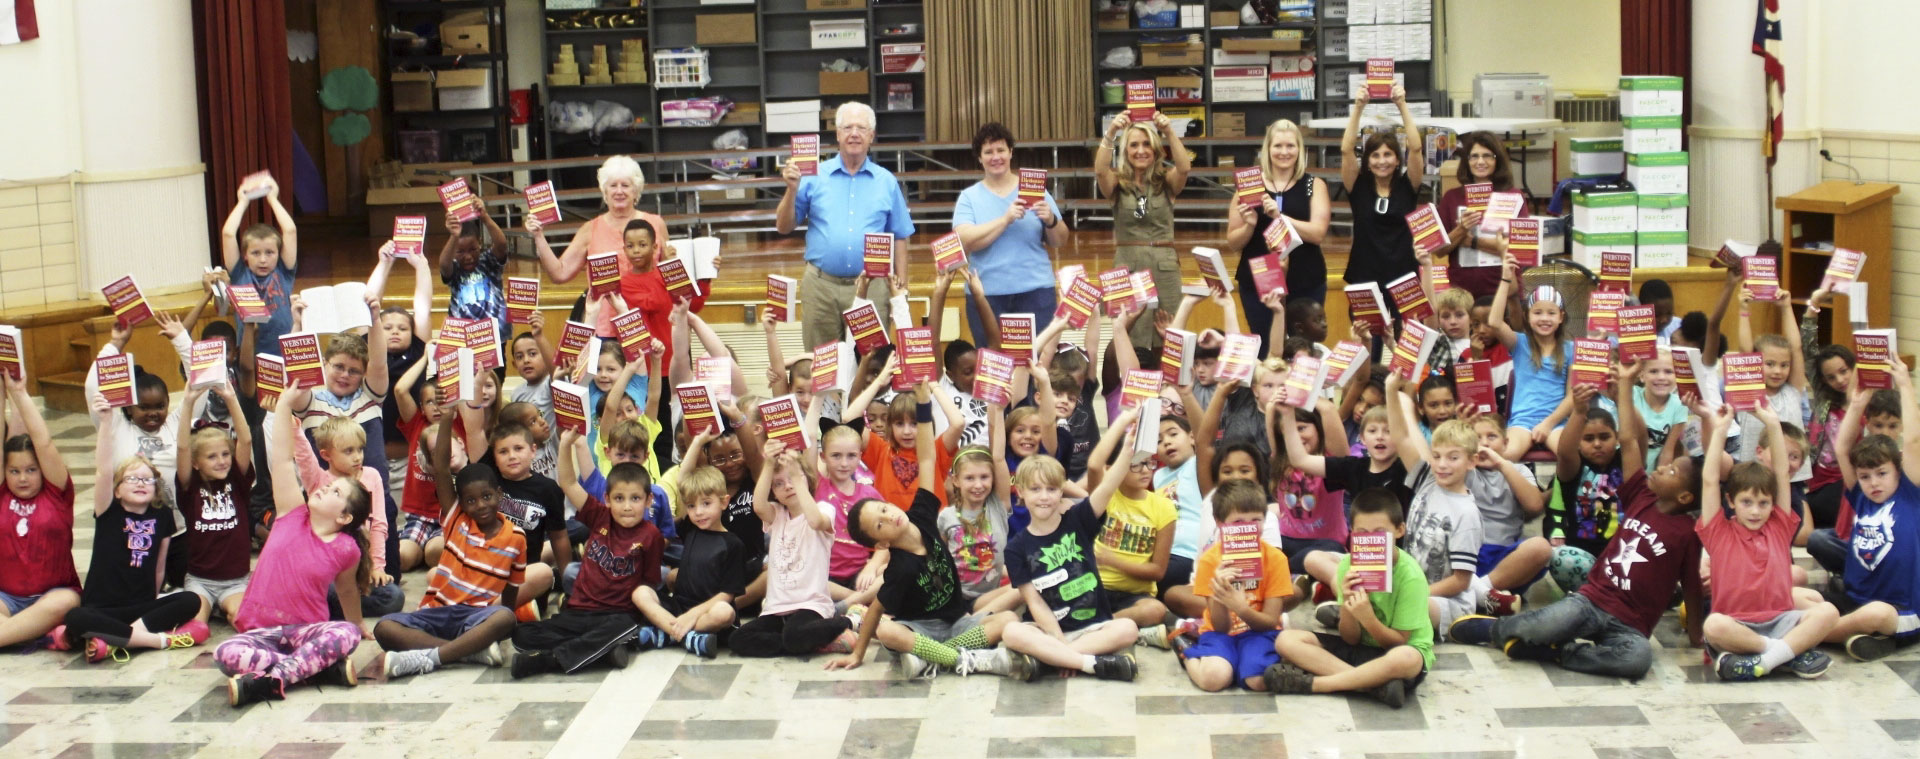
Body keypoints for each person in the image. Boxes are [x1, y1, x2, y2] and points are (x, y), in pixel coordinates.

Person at [1448, 359, 1706, 679]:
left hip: (1631, 625)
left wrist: (1696, 636)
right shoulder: (1640, 494)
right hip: (1591, 602)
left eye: (1670, 472)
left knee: (1637, 661)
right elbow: (1628, 440)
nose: (1660, 468)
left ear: (1684, 497)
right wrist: (1625, 385)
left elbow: (1693, 586)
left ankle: (1561, 651)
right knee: (1541, 623)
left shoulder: (1687, 533)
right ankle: (1495, 631)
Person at [829, 381, 1019, 678]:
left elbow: (927, 457)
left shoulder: (922, 514)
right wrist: (858, 652)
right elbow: (877, 611)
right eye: (880, 525)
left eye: (883, 509)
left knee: (1008, 619)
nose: (889, 517)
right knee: (889, 632)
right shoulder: (899, 569)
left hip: (956, 622)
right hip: (919, 630)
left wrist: (923, 402)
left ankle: (935, 659)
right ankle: (966, 659)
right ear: (880, 544)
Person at [217, 393, 373, 706]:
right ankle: (315, 671)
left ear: (344, 516)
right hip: (260, 633)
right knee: (225, 653)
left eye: (336, 491)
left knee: (346, 635)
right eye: (329, 485)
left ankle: (274, 679)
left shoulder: (346, 548)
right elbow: (283, 461)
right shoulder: (291, 512)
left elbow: (346, 592)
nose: (326, 486)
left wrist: (356, 623)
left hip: (306, 632)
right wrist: (284, 406)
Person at [1697, 404, 1838, 681]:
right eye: (1746, 502)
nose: (1755, 511)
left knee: (1828, 612)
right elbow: (1710, 479)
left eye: (1763, 503)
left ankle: (1760, 661)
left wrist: (1773, 424)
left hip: (1781, 620)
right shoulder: (1719, 532)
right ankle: (1784, 654)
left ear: (1773, 505)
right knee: (1713, 625)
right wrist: (1721, 430)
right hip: (1736, 624)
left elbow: (1783, 475)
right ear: (1730, 502)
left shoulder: (1779, 527)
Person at [378, 421, 528, 680]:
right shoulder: (456, 520)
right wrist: (446, 419)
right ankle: (465, 653)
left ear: (499, 495)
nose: (480, 505)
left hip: (475, 617)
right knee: (384, 627)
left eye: (486, 497)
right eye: (470, 500)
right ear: (461, 504)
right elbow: (441, 469)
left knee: (504, 618)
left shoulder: (516, 537)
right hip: (435, 612)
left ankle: (433, 657)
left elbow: (512, 591)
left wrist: (504, 625)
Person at [59, 395, 201, 663]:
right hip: (102, 608)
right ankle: (153, 640)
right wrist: (105, 422)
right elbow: (103, 470)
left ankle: (113, 639)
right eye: (132, 478)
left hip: (140, 608)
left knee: (190, 600)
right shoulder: (108, 511)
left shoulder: (162, 517)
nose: (140, 483)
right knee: (76, 617)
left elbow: (160, 566)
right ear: (117, 489)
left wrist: (152, 599)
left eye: (147, 479)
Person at [1269, 488, 1433, 709]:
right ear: (1352, 533)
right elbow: (1350, 638)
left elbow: (1398, 642)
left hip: (1395, 654)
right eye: (1363, 533)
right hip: (1362, 650)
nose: (1371, 539)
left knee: (1407, 658)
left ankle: (1320, 684)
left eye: (1379, 532)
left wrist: (1369, 619)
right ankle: (1374, 686)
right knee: (1286, 640)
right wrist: (1347, 603)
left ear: (1399, 530)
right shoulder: (1348, 564)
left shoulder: (1410, 576)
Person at [776, 101, 916, 350]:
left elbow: (900, 236)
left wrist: (901, 291)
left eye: (861, 128)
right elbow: (783, 227)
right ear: (837, 134)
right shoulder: (811, 175)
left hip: (872, 287)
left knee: (871, 362)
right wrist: (791, 190)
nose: (854, 133)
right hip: (821, 287)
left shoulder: (886, 181)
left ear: (871, 136)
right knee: (821, 367)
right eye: (848, 127)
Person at [510, 451, 663, 677]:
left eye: (635, 498)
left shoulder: (651, 535)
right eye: (619, 498)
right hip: (578, 612)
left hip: (617, 615)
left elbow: (648, 584)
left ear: (648, 500)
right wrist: (566, 444)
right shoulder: (600, 516)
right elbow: (569, 483)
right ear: (608, 499)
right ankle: (601, 652)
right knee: (521, 636)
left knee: (624, 627)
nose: (627, 506)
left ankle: (550, 660)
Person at [995, 451, 1142, 682]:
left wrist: (1129, 448)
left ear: (1061, 491)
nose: (1044, 496)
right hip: (1050, 632)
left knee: (1128, 628)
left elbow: (1108, 486)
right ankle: (1089, 663)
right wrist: (1059, 641)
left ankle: (1048, 661)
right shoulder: (1015, 548)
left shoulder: (1078, 519)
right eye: (1035, 489)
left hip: (1094, 628)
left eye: (1052, 489)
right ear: (1020, 492)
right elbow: (1034, 602)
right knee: (1012, 632)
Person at [1825, 361, 1920, 661]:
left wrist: (1905, 384)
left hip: (1900, 609)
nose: (1873, 483)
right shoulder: (1861, 496)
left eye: (1881, 474)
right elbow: (1842, 449)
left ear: (1897, 470)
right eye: (1865, 477)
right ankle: (1861, 638)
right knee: (1807, 596)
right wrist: (1858, 403)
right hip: (1854, 600)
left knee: (1876, 615)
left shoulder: (1909, 493)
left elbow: (1915, 442)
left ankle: (1807, 636)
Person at [730, 441, 856, 658]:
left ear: (806, 481)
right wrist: (768, 464)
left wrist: (798, 479)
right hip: (777, 607)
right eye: (779, 484)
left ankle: (849, 621)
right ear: (774, 492)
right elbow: (758, 506)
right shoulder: (776, 513)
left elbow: (816, 522)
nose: (788, 486)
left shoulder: (823, 508)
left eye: (793, 480)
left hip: (811, 606)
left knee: (795, 635)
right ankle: (811, 641)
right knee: (738, 639)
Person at [952, 121, 1067, 345]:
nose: (996, 157)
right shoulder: (969, 197)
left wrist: (1051, 220)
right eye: (988, 152)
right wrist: (1005, 220)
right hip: (987, 295)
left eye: (1001, 150)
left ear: (1011, 152)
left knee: (1036, 366)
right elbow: (964, 240)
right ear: (979, 157)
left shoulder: (1035, 191)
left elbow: (1060, 241)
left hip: (1036, 292)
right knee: (993, 368)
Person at [1226, 119, 1333, 341]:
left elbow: (1317, 233)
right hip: (1258, 281)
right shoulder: (1249, 186)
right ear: (1268, 149)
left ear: (1300, 149)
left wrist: (1281, 217)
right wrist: (1250, 225)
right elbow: (1233, 242)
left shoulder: (1314, 185)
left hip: (1305, 279)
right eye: (1278, 146)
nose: (1284, 152)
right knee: (1266, 348)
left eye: (1290, 146)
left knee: (1303, 350)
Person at [1179, 479, 1291, 691]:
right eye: (1238, 522)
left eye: (1256, 520)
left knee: (1258, 682)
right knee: (1215, 679)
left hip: (1259, 632)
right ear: (1220, 523)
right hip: (1219, 632)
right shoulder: (1210, 560)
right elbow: (1220, 627)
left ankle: (1244, 661)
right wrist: (1221, 594)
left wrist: (1241, 608)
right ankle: (1187, 653)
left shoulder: (1276, 559)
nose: (1248, 528)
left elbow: (1268, 622)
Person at [1096, 110, 1190, 349]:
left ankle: (1167, 385)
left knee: (1168, 333)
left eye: (1147, 144)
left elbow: (1184, 167)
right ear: (1126, 151)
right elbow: (1099, 170)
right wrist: (1111, 133)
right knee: (1127, 333)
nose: (1140, 150)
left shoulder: (1166, 182)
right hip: (1127, 264)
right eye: (1134, 145)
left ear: (1156, 149)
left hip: (1165, 267)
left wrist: (1169, 130)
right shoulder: (1117, 184)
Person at [0, 374, 82, 649]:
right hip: (6, 598)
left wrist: (19, 393)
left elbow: (43, 442)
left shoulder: (56, 492)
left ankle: (15, 633)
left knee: (66, 602)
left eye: (31, 470)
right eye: (14, 471)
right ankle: (27, 632)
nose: (22, 478)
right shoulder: (2, 493)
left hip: (54, 595)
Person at [1338, 84, 1425, 333]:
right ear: (1367, 161)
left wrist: (1402, 104)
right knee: (1368, 342)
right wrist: (1358, 107)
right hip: (1365, 275)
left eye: (1388, 155)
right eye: (1375, 156)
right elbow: (1345, 150)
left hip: (1404, 276)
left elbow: (1416, 148)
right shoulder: (1358, 186)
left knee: (1407, 341)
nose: (1382, 161)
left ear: (1398, 160)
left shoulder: (1408, 186)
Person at [633, 466, 741, 658]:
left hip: (707, 614)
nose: (698, 512)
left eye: (706, 503)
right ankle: (686, 637)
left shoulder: (733, 544)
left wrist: (692, 616)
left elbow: (727, 595)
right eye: (691, 506)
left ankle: (668, 633)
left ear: (724, 502)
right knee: (640, 593)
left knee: (724, 612)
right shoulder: (690, 528)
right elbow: (682, 484)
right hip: (679, 606)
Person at [174, 383, 255, 634]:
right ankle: (207, 609)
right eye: (211, 457)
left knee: (244, 622)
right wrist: (187, 402)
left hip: (236, 581)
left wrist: (231, 398)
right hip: (200, 581)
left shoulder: (237, 482)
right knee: (196, 629)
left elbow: (246, 439)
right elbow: (183, 447)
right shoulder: (190, 486)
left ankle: (224, 609)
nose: (221, 461)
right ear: (196, 463)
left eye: (224, 454)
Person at [1433, 132, 1523, 298]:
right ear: (1467, 161)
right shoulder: (1452, 197)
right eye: (1474, 156)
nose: (1480, 162)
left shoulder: (1512, 196)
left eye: (1487, 156)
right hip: (1462, 291)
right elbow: (1439, 251)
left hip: (1503, 287)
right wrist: (1461, 229)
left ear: (1498, 160)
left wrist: (1473, 241)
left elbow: (1520, 249)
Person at [221, 173, 299, 358]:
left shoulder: (284, 271)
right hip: (251, 354)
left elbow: (290, 230)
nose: (263, 259)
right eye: (256, 253)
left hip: (284, 352)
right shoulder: (240, 274)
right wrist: (243, 201)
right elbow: (228, 234)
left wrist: (273, 199)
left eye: (269, 253)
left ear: (278, 254)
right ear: (245, 255)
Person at [437, 209, 511, 339]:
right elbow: (443, 265)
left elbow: (501, 245)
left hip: (494, 335)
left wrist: (485, 217)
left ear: (480, 243)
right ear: (454, 250)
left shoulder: (488, 261)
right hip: (463, 336)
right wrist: (454, 236)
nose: (468, 256)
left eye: (472, 250)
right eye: (460, 252)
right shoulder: (455, 268)